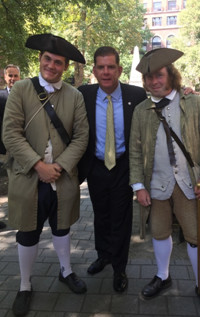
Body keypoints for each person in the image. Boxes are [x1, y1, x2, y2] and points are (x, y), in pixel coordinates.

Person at [2, 33, 89, 316]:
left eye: (58, 62)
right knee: (28, 232)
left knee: (62, 227)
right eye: (47, 59)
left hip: (62, 178)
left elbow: (81, 137)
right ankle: (25, 285)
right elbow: (11, 134)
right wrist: (39, 165)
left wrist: (59, 167)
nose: (51, 65)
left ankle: (65, 271)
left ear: (65, 67)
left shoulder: (75, 96)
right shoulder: (21, 90)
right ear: (40, 59)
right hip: (29, 177)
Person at [129, 48, 200, 314]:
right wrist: (138, 186)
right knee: (159, 232)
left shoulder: (193, 102)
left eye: (158, 75)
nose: (153, 81)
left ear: (171, 75)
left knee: (195, 236)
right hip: (155, 185)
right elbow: (135, 151)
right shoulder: (142, 110)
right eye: (148, 77)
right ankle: (163, 275)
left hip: (189, 183)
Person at [78, 46, 147, 292]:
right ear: (94, 70)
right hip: (95, 166)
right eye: (101, 67)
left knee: (121, 218)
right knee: (101, 214)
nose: (106, 72)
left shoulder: (137, 95)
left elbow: (161, 96)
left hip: (123, 166)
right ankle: (103, 255)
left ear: (119, 69)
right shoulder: (83, 94)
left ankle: (119, 268)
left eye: (111, 67)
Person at [0, 64, 21, 230]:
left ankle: (19, 215)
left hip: (21, 147)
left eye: (15, 75)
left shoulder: (26, 95)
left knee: (18, 181)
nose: (12, 79)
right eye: (10, 76)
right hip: (3, 148)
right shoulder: (0, 96)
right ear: (5, 77)